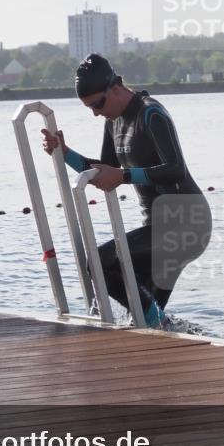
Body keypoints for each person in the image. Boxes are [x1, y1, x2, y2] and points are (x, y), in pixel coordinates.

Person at [41, 53, 211, 328]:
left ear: (115, 88)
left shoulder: (152, 113)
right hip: (158, 227)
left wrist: (124, 175)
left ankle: (159, 325)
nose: (96, 113)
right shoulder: (114, 122)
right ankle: (165, 338)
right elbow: (103, 171)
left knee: (98, 263)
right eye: (90, 108)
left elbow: (175, 169)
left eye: (98, 104)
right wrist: (64, 153)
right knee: (144, 319)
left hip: (188, 225)